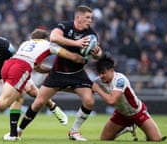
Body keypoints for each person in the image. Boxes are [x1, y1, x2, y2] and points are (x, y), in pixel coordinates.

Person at [0, 28, 87, 139]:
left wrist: (50, 70)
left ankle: (14, 134)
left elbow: (35, 66)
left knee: (22, 95)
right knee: (4, 103)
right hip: (20, 68)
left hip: (8, 65)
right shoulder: (50, 45)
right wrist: (83, 58)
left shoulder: (26, 43)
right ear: (46, 38)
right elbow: (72, 57)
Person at [16, 5, 102, 141]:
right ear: (78, 17)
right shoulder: (65, 26)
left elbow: (98, 52)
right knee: (38, 102)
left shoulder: (91, 34)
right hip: (58, 72)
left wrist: (97, 54)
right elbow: (53, 37)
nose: (90, 20)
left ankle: (74, 131)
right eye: (87, 17)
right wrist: (77, 43)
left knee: (89, 101)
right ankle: (18, 131)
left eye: (91, 18)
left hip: (77, 73)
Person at [91, 55, 167, 141]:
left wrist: (97, 89)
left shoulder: (120, 80)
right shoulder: (98, 81)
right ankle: (126, 128)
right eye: (99, 73)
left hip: (137, 113)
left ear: (111, 70)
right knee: (104, 139)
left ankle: (137, 128)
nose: (101, 76)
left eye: (103, 73)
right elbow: (88, 88)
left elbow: (112, 101)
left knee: (156, 139)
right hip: (121, 114)